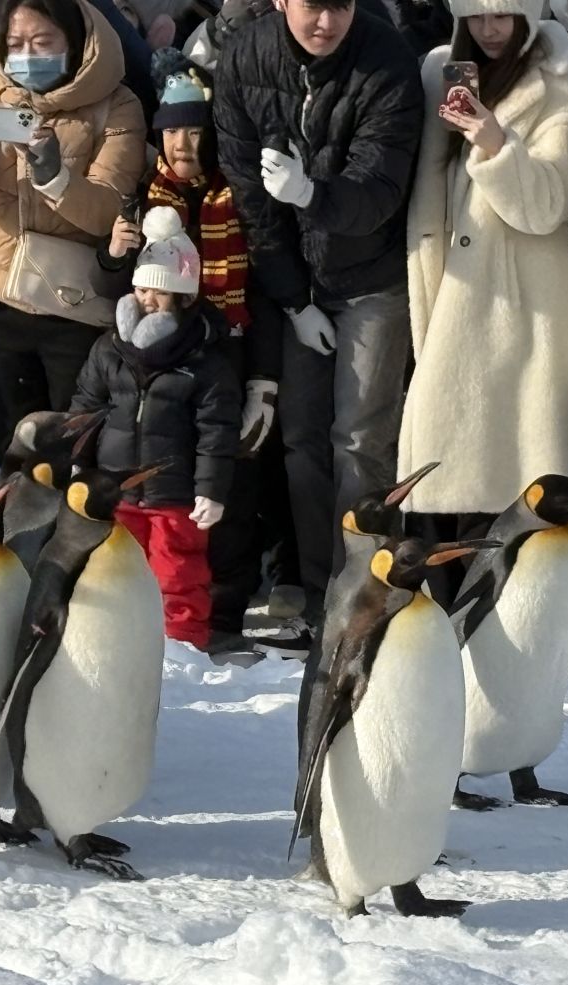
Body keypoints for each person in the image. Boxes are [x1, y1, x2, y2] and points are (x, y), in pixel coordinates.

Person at [212, 0, 423, 638]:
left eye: (339, 5)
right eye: (311, 5)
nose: (324, 21)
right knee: (301, 437)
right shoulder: (245, 55)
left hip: (372, 274)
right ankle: (312, 587)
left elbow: (380, 189)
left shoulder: (387, 58)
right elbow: (249, 196)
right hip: (296, 283)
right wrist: (294, 300)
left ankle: (362, 590)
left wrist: (313, 194)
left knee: (360, 438)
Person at [96, 47, 285, 652]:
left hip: (225, 346)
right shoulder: (144, 197)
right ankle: (144, 617)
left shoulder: (242, 191)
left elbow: (264, 286)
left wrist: (264, 378)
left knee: (229, 487)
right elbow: (117, 294)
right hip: (155, 363)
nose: (183, 143)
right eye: (172, 129)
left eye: (195, 130)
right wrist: (115, 254)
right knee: (158, 503)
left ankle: (221, 617)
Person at [401, 1, 568, 568]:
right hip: (463, 292)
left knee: (522, 482)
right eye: (478, 18)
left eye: (504, 17)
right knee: (464, 474)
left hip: (529, 306)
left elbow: (543, 206)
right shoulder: (442, 72)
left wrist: (494, 142)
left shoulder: (561, 82)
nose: (489, 31)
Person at [0, 0, 146, 461]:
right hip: (1, 300)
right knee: (12, 449)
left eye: (42, 42)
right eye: (15, 44)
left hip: (73, 306)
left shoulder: (117, 104)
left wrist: (55, 177)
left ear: (72, 42)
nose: (28, 55)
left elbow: (108, 210)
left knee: (74, 451)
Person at [70, 206, 240, 650]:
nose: (147, 299)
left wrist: (211, 490)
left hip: (175, 497)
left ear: (184, 299)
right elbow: (85, 409)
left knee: (178, 575)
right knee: (110, 574)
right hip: (115, 491)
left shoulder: (205, 362)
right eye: (142, 289)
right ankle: (111, 642)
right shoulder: (108, 350)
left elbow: (216, 431)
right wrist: (77, 464)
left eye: (160, 294)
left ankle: (181, 648)